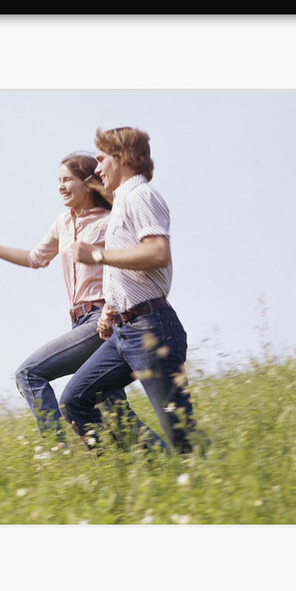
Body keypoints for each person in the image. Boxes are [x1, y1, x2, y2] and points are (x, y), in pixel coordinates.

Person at [0, 152, 134, 442]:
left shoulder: (109, 222)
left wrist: (110, 311)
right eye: (58, 180)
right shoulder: (63, 223)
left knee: (29, 374)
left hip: (102, 321)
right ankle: (143, 466)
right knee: (116, 412)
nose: (60, 186)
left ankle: (58, 454)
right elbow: (35, 258)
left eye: (67, 179)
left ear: (88, 183)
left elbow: (127, 271)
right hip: (78, 321)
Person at [61, 127, 203, 454]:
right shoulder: (123, 201)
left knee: (184, 439)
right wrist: (111, 308)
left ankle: (200, 478)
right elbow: (130, 264)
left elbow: (157, 252)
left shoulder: (140, 195)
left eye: (101, 159)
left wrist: (97, 255)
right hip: (124, 332)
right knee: (76, 400)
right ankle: (141, 474)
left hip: (152, 331)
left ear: (123, 158)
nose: (97, 169)